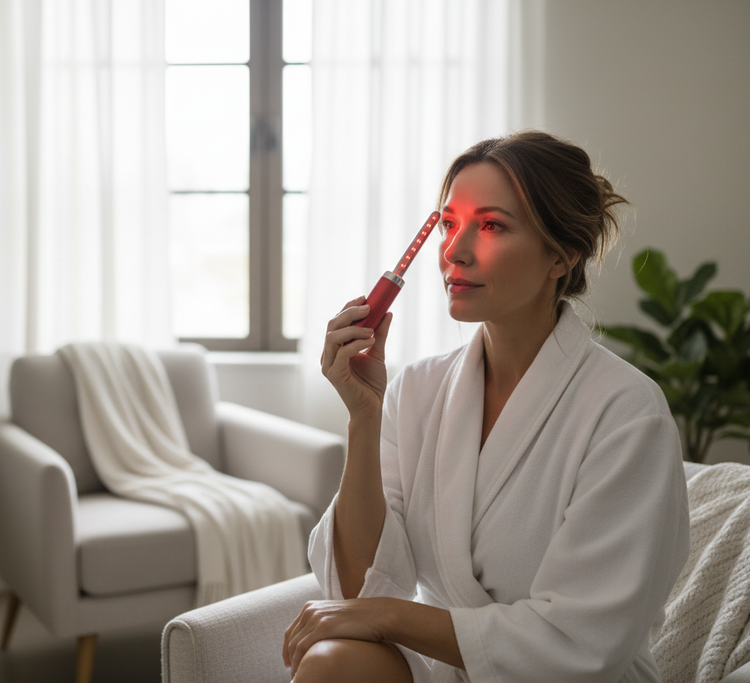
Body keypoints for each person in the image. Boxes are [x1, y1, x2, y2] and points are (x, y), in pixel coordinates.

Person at [283, 130, 690, 683]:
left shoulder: (625, 411)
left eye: (491, 225)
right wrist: (364, 415)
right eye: (450, 224)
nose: (455, 249)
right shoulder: (417, 389)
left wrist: (388, 615)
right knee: (336, 661)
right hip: (455, 671)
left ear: (561, 256)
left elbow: (580, 644)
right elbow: (356, 591)